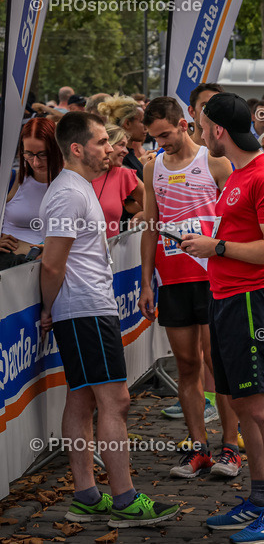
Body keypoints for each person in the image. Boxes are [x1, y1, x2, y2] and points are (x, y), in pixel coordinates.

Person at [42, 112, 180, 528]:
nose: (112, 148)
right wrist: (51, 309)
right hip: (83, 308)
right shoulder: (68, 192)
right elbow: (52, 265)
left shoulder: (76, 188)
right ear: (77, 148)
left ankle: (86, 495)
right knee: (115, 401)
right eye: (102, 142)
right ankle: (124, 499)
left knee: (83, 397)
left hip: (88, 307)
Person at [181, 92, 264, 542]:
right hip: (228, 299)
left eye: (203, 125)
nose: (199, 132)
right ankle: (260, 498)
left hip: (253, 301)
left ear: (219, 130)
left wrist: (217, 247)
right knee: (243, 404)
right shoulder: (240, 173)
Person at [138, 97, 240, 480]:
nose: (161, 142)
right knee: (187, 366)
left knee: (220, 365)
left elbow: (234, 219)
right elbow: (150, 226)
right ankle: (198, 448)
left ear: (183, 123)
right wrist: (147, 282)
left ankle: (230, 447)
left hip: (212, 277)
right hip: (174, 279)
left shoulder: (215, 163)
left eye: (165, 134)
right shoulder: (153, 169)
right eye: (154, 137)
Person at [1, 118, 63, 268]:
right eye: (29, 154)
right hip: (8, 264)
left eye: (43, 154)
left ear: (57, 149)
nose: (35, 162)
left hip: (47, 266)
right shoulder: (10, 180)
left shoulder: (72, 183)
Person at [91, 125, 144, 239]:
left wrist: (140, 217)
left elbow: (157, 206)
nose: (125, 151)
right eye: (121, 145)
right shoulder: (78, 174)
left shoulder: (123, 175)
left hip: (111, 253)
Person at [97, 95, 150, 179]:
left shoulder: (128, 155)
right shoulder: (118, 159)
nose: (146, 127)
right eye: (142, 121)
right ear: (127, 123)